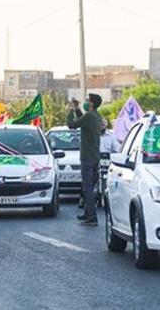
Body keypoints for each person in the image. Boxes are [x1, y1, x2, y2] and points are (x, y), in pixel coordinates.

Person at [67, 93, 103, 226]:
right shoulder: (96, 116)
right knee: (89, 186)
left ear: (92, 103)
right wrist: (77, 109)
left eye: (88, 100)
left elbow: (72, 125)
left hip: (87, 157)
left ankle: (92, 217)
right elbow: (83, 120)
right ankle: (88, 213)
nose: (86, 102)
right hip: (94, 156)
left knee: (87, 188)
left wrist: (71, 110)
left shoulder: (90, 116)